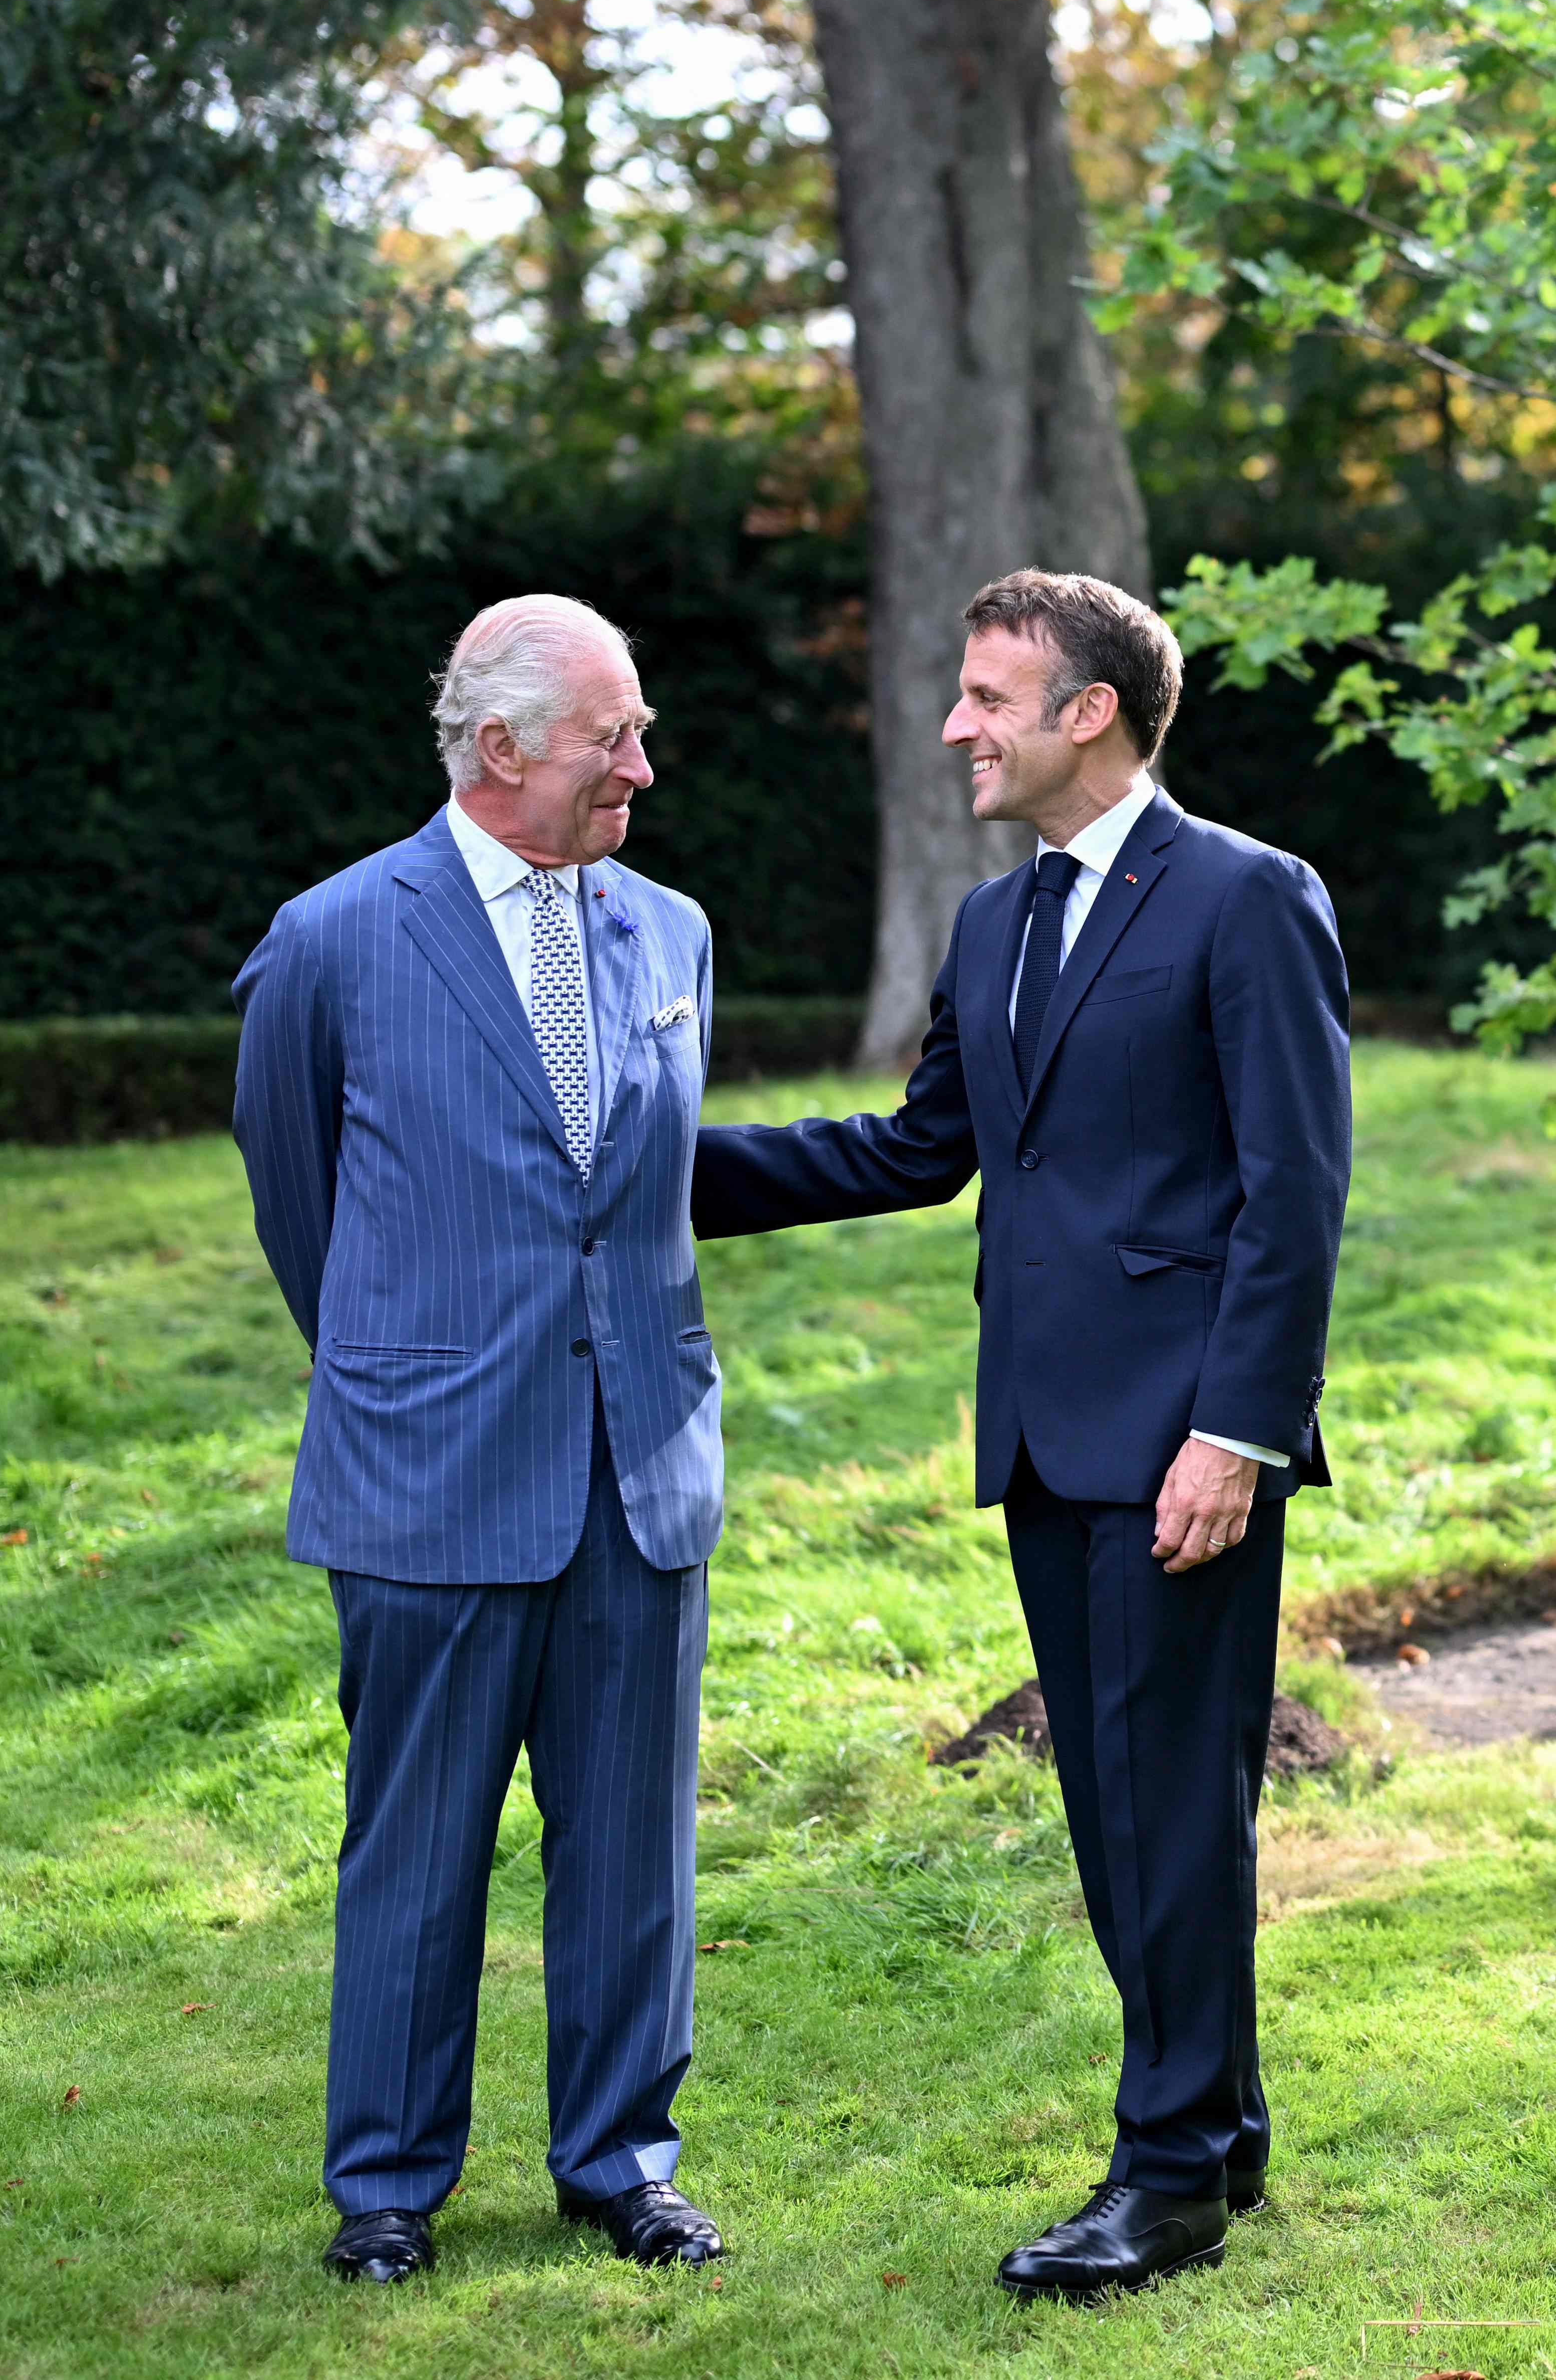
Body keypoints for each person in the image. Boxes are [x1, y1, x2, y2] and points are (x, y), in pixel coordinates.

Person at [694, 570, 1351, 2302]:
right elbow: (920, 1151)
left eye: (988, 696)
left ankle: (1168, 2181)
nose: (952, 727)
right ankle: (1224, 2127)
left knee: (1163, 1803)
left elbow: (1296, 1195)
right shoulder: (993, 927)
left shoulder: (1245, 899)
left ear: (1092, 714)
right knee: (1125, 1802)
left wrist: (1240, 1429)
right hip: (1043, 1438)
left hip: (1182, 1443)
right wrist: (654, 1167)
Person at [232, 596, 729, 2284]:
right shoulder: (332, 938)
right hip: (426, 1480)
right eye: (615, 738)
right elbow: (303, 1208)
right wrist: (415, 1371)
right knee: (419, 1853)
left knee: (633, 1857)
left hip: (637, 1472)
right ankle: (385, 2186)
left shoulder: (670, 932)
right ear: (501, 746)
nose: (642, 768)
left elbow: (644, 1197)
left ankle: (620, 2163)